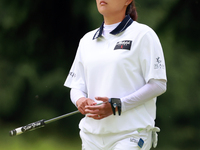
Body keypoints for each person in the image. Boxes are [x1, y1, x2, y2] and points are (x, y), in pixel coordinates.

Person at [64, 0, 167, 149]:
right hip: (91, 137)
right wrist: (80, 100)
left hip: (131, 134)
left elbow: (158, 84)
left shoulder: (144, 35)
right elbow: (76, 85)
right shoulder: (86, 40)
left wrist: (118, 105)